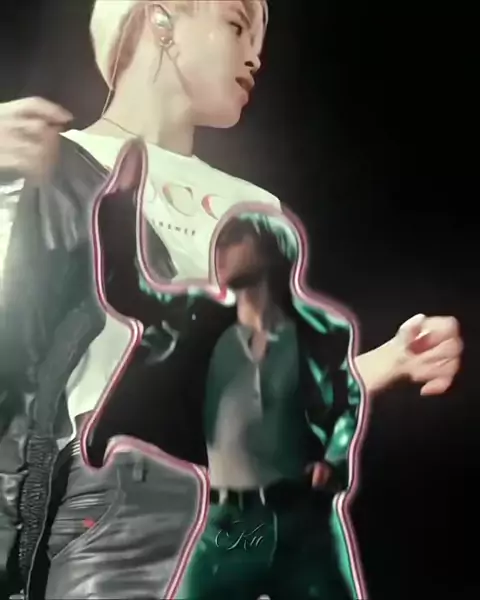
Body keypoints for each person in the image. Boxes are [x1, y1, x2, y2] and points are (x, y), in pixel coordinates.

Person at [0, 1, 462, 599]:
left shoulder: (258, 208)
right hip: (125, 513)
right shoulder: (43, 160)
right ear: (161, 20)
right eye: (237, 25)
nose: (255, 57)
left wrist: (392, 360)